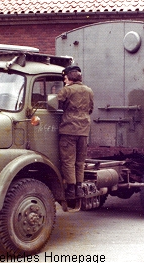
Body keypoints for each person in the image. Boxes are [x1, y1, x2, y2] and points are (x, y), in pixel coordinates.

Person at [57, 65, 94, 199]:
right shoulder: (88, 91)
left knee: (68, 161)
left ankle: (71, 190)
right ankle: (79, 188)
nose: (64, 80)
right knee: (80, 161)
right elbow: (90, 109)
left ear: (70, 77)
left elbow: (56, 106)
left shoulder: (66, 91)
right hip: (83, 131)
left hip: (68, 130)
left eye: (65, 77)